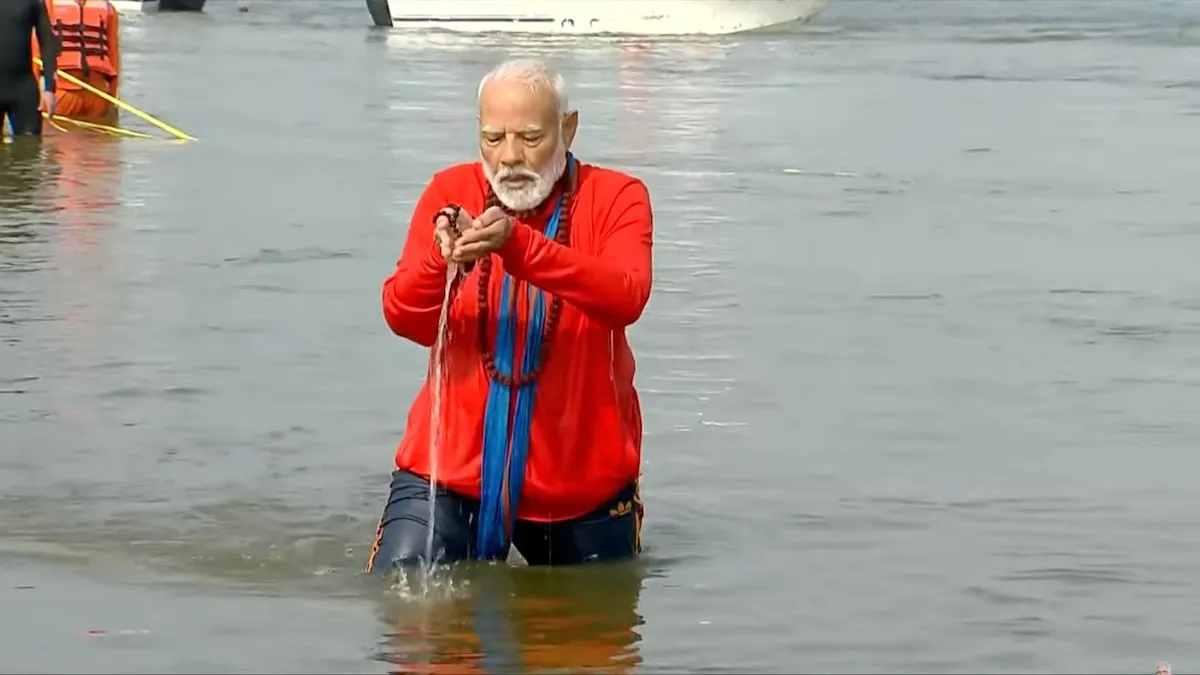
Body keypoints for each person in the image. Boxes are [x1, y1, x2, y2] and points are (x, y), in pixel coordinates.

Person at [367, 58, 654, 574]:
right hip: (449, 471)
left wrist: (518, 247)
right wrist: (442, 260)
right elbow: (404, 317)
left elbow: (626, 296)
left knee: (589, 640)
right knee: (404, 610)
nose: (510, 158)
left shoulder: (618, 197)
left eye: (530, 137)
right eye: (493, 138)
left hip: (579, 481)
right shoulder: (448, 193)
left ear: (568, 129)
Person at [32, 0, 120, 123]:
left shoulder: (108, 9)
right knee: (57, 138)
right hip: (63, 90)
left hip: (96, 92)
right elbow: (35, 52)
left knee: (94, 140)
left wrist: (113, 100)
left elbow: (114, 56)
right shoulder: (47, 5)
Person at [0, 0, 56, 136]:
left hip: (23, 91)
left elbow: (47, 42)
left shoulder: (34, 2)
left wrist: (49, 89)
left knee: (30, 151)